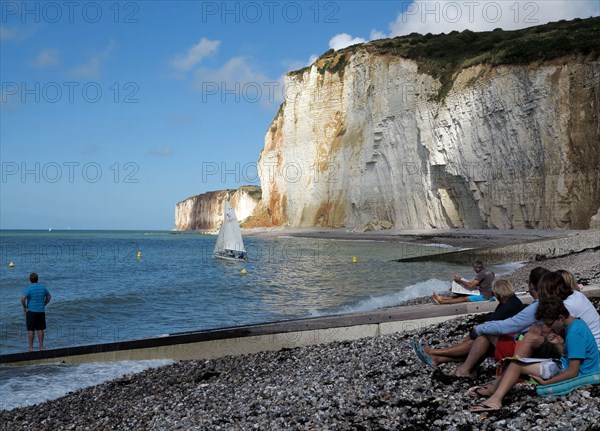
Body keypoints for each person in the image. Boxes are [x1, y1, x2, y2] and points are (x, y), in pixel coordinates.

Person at [469, 296, 600, 412]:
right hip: (566, 366)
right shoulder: (576, 324)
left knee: (516, 364)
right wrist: (558, 344)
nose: (549, 328)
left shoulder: (574, 333)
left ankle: (495, 400)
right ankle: (495, 391)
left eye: (549, 324)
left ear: (560, 317)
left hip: (577, 372)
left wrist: (546, 383)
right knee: (516, 363)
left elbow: (573, 371)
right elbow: (568, 357)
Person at [453, 267, 550, 378]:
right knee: (486, 336)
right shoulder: (550, 302)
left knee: (485, 334)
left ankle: (461, 368)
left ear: (531, 285)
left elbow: (509, 326)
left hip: (527, 352)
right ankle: (457, 364)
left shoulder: (536, 307)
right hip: (539, 347)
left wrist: (478, 329)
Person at [414, 279, 526, 369]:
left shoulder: (507, 306)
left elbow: (488, 325)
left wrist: (471, 335)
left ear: (497, 293)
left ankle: (433, 352)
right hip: (509, 339)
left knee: (476, 342)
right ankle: (437, 359)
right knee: (475, 348)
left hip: (510, 345)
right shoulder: (511, 301)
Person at [513, 270, 600, 359]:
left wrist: (537, 330)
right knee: (533, 333)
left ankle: (514, 366)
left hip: (590, 352)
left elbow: (549, 332)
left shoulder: (566, 306)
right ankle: (515, 365)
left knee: (530, 339)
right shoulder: (576, 295)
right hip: (590, 345)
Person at [21, 273, 51, 352]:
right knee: (40, 329)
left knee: (31, 330)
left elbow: (23, 299)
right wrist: (44, 304)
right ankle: (41, 347)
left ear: (30, 280)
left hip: (31, 312)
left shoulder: (29, 288)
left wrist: (25, 307)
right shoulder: (42, 287)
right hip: (41, 311)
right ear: (37, 279)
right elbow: (49, 297)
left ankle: (31, 348)